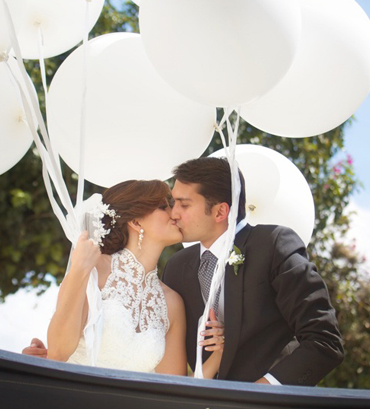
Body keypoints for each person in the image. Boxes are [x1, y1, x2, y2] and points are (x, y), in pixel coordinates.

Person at [162, 156, 344, 386]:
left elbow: (324, 340)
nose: (173, 213)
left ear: (220, 212)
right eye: (173, 202)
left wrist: (260, 393)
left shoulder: (274, 244)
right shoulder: (176, 268)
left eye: (184, 204)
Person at [25, 180, 224, 378]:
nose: (174, 213)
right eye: (164, 207)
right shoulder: (93, 268)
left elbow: (173, 389)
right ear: (136, 222)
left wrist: (218, 354)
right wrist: (78, 270)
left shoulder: (171, 303)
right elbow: (58, 352)